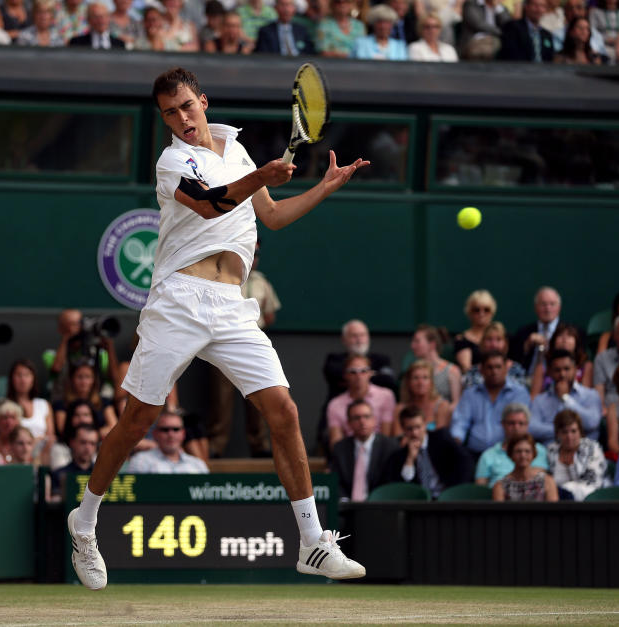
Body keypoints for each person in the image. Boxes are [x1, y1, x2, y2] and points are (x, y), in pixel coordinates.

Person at [67, 67, 370, 589]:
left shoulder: (239, 150)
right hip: (179, 301)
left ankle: (312, 543)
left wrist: (323, 187)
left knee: (284, 410)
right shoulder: (172, 161)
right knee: (138, 420)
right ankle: (85, 521)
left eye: (186, 105)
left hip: (233, 304)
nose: (181, 118)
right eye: (169, 112)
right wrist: (261, 178)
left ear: (203, 101)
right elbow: (212, 204)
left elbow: (270, 217)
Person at [209, 239, 278, 458]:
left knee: (259, 395)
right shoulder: (220, 278)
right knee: (221, 398)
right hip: (224, 341)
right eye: (250, 254)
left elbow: (270, 314)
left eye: (257, 256)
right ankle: (216, 446)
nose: (254, 259)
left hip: (252, 343)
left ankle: (260, 445)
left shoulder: (262, 282)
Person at [450, 351, 531, 457]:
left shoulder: (519, 393)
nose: (494, 371)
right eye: (490, 367)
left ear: (506, 368)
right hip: (474, 453)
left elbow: (521, 426)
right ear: (481, 370)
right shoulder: (470, 394)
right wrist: (455, 442)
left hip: (508, 453)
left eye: (498, 367)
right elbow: (460, 422)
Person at [385, 407, 475, 497]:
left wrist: (456, 490)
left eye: (418, 427)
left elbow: (466, 461)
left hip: (447, 497)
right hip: (420, 502)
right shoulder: (401, 454)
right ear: (403, 429)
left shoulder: (441, 438)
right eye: (409, 429)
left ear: (425, 424)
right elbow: (404, 483)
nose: (415, 433)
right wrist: (410, 459)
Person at [329, 399, 400, 500]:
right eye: (357, 418)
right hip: (347, 507)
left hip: (380, 506)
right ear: (349, 423)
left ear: (374, 420)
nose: (362, 421)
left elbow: (392, 482)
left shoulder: (390, 446)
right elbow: (336, 481)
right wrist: (344, 501)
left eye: (367, 416)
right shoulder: (340, 448)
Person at [529, 349, 603, 444]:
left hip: (584, 453)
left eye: (567, 369)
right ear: (550, 372)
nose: (562, 374)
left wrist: (566, 398)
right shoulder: (540, 400)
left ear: (575, 369)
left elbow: (592, 423)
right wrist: (566, 429)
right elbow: (532, 429)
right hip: (549, 454)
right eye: (557, 370)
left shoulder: (590, 395)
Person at [327, 354, 396, 447]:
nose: (358, 376)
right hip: (349, 454)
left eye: (363, 371)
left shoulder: (386, 396)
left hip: (380, 455)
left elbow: (386, 436)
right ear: (345, 375)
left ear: (371, 373)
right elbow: (336, 445)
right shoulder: (335, 404)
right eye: (353, 371)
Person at [511, 286, 582, 373]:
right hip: (526, 379)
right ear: (536, 307)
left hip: (556, 378)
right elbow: (514, 360)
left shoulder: (572, 332)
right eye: (543, 304)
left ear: (559, 307)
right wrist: (526, 345)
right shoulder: (524, 332)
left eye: (552, 304)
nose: (548, 309)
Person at [322, 319, 395, 401]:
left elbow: (387, 381)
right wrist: (372, 374)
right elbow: (335, 376)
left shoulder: (381, 360)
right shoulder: (334, 360)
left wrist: (351, 378)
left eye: (362, 335)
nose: (359, 339)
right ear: (344, 339)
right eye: (354, 336)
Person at [476, 403, 548, 485]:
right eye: (511, 423)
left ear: (527, 425)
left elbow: (540, 479)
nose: (516, 428)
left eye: (521, 423)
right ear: (503, 424)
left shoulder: (540, 450)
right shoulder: (488, 455)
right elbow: (480, 488)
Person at [546, 409, 605, 500]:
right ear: (557, 434)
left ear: (580, 432)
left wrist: (566, 489)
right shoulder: (551, 450)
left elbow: (593, 483)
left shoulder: (592, 448)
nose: (569, 436)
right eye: (565, 432)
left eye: (573, 431)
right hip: (557, 502)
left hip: (588, 500)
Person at [125, 411, 210, 473]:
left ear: (183, 434)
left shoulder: (197, 464)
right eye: (165, 430)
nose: (171, 434)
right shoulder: (140, 461)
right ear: (155, 434)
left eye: (176, 429)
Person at [54, 362, 117, 440]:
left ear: (94, 380)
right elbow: (62, 430)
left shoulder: (103, 401)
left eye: (88, 377)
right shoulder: (61, 404)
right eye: (79, 377)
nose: (84, 382)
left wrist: (91, 436)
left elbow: (114, 427)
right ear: (71, 379)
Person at [400, 324, 461, 404]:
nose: (412, 346)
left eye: (417, 341)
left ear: (432, 344)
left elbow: (456, 404)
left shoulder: (452, 371)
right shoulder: (412, 369)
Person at [529, 322, 593, 396]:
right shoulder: (543, 367)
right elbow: (534, 397)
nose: (564, 339)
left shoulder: (586, 366)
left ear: (576, 341)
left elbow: (587, 396)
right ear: (553, 341)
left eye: (569, 335)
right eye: (560, 335)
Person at [459, 322, 528, 391]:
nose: (494, 345)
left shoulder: (517, 370)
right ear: (482, 343)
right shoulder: (472, 373)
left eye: (498, 340)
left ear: (505, 343)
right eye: (489, 339)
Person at [492, 433, 559, 501]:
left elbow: (554, 510)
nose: (523, 456)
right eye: (518, 451)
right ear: (511, 454)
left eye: (527, 451)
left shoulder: (547, 482)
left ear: (534, 454)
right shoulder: (500, 486)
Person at [394, 361, 452, 433]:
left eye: (425, 378)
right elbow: (397, 439)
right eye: (415, 378)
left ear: (431, 382)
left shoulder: (442, 406)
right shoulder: (400, 409)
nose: (420, 383)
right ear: (408, 382)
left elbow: (441, 438)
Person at [6, 359, 55, 442]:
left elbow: (50, 436)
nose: (23, 380)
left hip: (42, 451)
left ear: (33, 379)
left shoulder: (44, 404)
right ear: (11, 379)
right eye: (19, 375)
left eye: (27, 375)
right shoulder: (5, 406)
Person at [453, 289, 496, 372]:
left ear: (492, 312)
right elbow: (467, 369)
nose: (481, 314)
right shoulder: (462, 340)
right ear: (469, 312)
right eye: (476, 310)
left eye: (486, 310)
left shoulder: (501, 337)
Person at [52, 423, 99, 497]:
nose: (88, 448)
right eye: (83, 442)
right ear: (72, 442)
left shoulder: (102, 476)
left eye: (92, 443)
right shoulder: (58, 475)